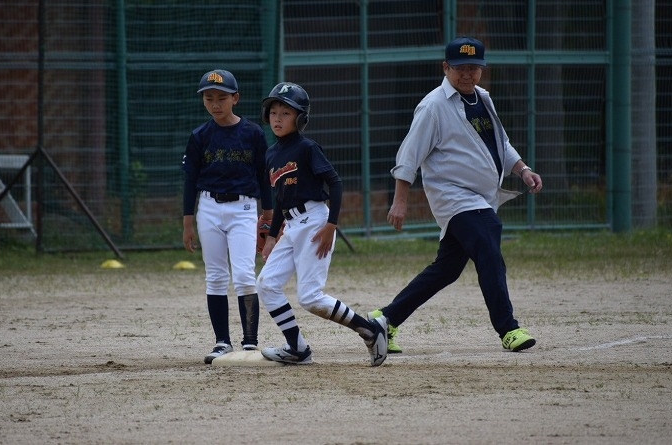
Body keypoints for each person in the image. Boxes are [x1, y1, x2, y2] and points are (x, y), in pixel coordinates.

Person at [372, 36, 543, 354]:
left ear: (482, 69)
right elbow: (409, 155)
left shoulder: (483, 98)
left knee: (447, 269)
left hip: (480, 198)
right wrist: (400, 200)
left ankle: (385, 319)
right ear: (445, 68)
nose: (467, 74)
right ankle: (508, 328)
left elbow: (500, 144)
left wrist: (523, 169)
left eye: (473, 68)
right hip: (454, 197)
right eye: (460, 68)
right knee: (489, 244)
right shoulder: (433, 106)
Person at [256, 82, 388, 366]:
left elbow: (335, 183)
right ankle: (297, 349)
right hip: (291, 225)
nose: (278, 118)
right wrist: (272, 237)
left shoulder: (307, 148)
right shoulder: (271, 154)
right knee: (266, 284)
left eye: (286, 113)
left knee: (310, 298)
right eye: (274, 112)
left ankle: (370, 330)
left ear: (301, 118)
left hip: (315, 222)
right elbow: (280, 198)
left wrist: (331, 224)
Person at [181, 69, 274, 364]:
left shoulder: (253, 133)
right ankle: (222, 342)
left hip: (243, 208)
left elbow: (265, 175)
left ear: (236, 98)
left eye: (221, 98)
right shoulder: (200, 136)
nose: (215, 104)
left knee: (245, 274)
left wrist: (269, 213)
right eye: (209, 98)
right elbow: (190, 180)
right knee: (216, 276)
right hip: (208, 207)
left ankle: (250, 343)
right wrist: (187, 221)